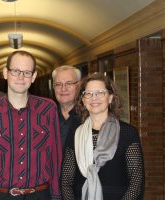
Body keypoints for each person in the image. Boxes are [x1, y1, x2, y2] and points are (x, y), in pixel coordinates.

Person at [0, 50, 62, 200]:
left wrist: (56, 195)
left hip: (40, 195)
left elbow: (55, 156)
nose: (21, 77)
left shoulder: (48, 109)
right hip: (3, 196)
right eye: (16, 71)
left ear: (34, 76)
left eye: (27, 72)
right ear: (6, 73)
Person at [60, 72, 145, 200]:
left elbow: (136, 182)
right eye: (88, 94)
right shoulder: (75, 134)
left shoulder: (127, 133)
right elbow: (66, 181)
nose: (94, 98)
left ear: (110, 97)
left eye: (100, 93)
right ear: (83, 100)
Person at [52, 65, 82, 155]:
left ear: (78, 85)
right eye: (58, 84)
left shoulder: (88, 117)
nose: (63, 89)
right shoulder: (45, 116)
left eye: (69, 84)